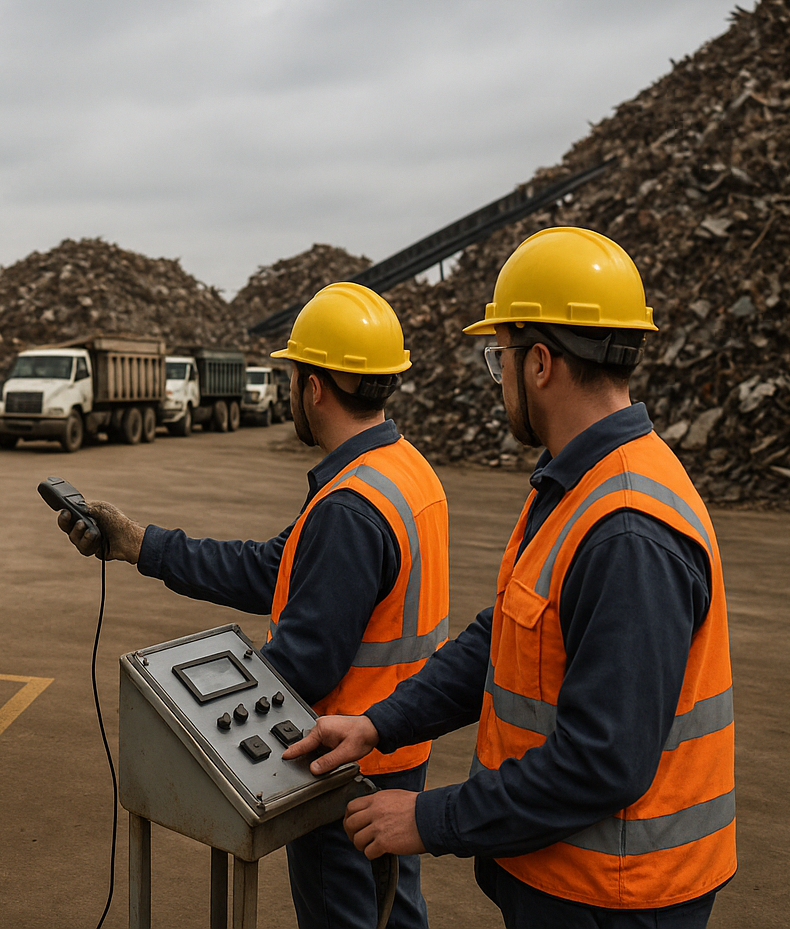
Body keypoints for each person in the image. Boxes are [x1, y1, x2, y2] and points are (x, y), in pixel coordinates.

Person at [281, 227, 736, 929]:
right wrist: (379, 724)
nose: (501, 383)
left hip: (617, 897)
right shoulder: (574, 485)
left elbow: (601, 764)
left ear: (542, 363)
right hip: (571, 880)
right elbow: (505, 635)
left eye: (502, 359)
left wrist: (429, 818)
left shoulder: (626, 530)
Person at [56, 283, 449, 929]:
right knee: (391, 914)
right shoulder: (404, 471)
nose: (290, 388)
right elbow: (273, 570)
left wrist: (210, 702)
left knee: (348, 916)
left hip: (337, 773)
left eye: (293, 374)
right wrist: (139, 544)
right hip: (394, 756)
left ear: (314, 388)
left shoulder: (350, 508)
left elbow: (304, 666)